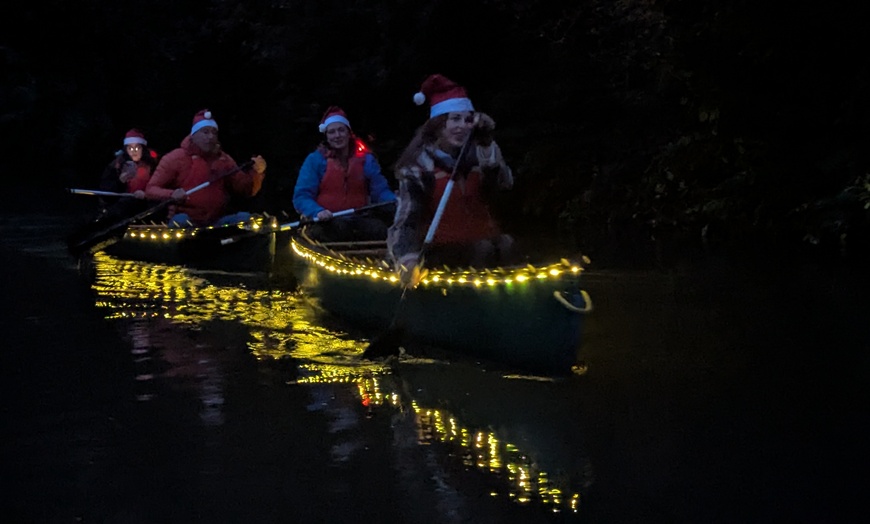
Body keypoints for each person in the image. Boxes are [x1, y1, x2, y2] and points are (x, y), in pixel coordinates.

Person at [387, 74, 515, 286]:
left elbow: (502, 188)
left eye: (467, 120)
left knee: (505, 244)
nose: (462, 126)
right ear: (438, 125)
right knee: (482, 248)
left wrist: (486, 143)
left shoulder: (482, 157)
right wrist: (408, 261)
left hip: (483, 245)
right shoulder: (419, 168)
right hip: (439, 251)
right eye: (454, 119)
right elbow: (407, 222)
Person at [146, 109, 267, 227]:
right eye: (205, 132)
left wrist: (257, 172)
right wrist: (171, 194)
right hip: (186, 219)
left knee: (246, 219)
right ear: (193, 135)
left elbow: (246, 190)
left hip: (216, 220)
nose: (210, 137)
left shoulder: (223, 159)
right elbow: (151, 189)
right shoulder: (176, 158)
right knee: (181, 221)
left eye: (214, 133)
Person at [292, 106, 397, 241]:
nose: (337, 136)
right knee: (337, 228)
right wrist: (317, 211)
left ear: (349, 133)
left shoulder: (366, 160)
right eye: (332, 132)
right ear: (326, 136)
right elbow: (301, 196)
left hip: (359, 219)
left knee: (380, 229)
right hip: (327, 221)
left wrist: (395, 201)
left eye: (341, 130)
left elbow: (380, 191)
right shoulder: (315, 160)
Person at [97, 128, 159, 222]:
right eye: (130, 148)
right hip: (122, 206)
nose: (134, 151)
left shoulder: (152, 164)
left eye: (137, 148)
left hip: (146, 204)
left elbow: (160, 185)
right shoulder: (116, 166)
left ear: (143, 149)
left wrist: (146, 194)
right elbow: (106, 195)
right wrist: (120, 182)